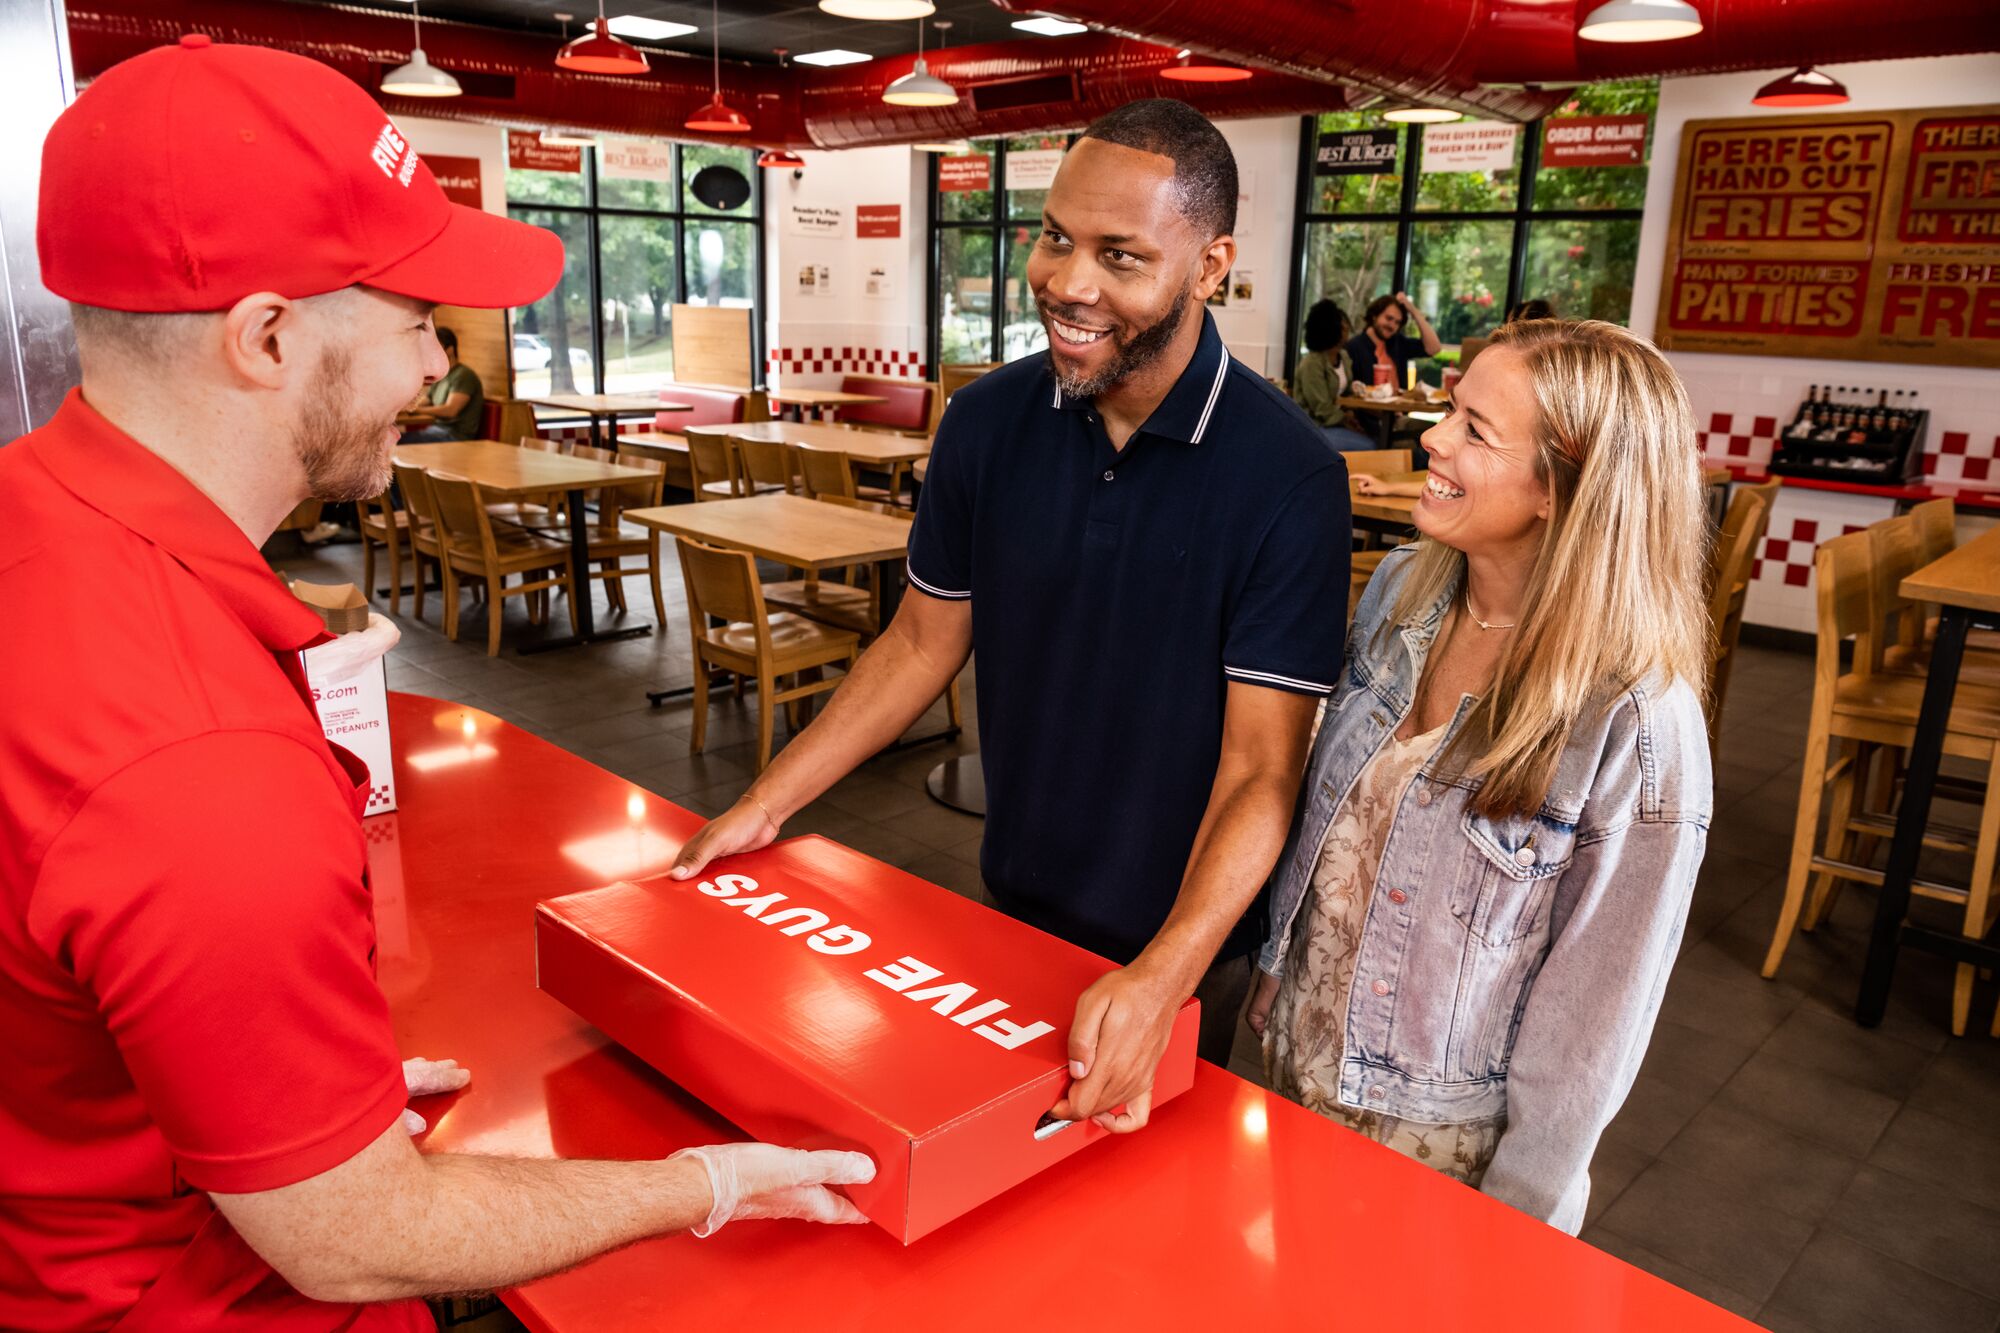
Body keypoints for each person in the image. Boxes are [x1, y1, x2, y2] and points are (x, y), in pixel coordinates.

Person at [1, 39, 869, 1332]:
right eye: (418, 324)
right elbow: (350, 1240)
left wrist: (275, 1096)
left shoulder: (38, 534)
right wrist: (704, 1182)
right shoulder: (197, 764)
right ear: (267, 336)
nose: (436, 370)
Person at [669, 98, 1350, 1134]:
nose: (1068, 285)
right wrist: (763, 806)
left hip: (1182, 940)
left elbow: (1263, 769)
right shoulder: (987, 420)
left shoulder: (1287, 476)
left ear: (1209, 265)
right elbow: (916, 641)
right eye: (1053, 238)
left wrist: (1166, 970)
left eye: (1120, 256)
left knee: (1133, 1246)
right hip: (1009, 900)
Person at [1246, 318, 1713, 1235]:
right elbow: (1330, 827)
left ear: (1562, 490)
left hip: (1440, 1151)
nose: (1433, 435)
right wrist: (1271, 970)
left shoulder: (1635, 721)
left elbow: (1591, 1029)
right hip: (1293, 1072)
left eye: (1474, 429)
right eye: (1450, 409)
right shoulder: (1400, 595)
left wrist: (1519, 1230)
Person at [1290, 300, 1375, 452]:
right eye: (1342, 326)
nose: (1347, 328)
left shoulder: (1343, 356)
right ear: (1329, 329)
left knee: (1376, 436)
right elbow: (1321, 408)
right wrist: (1346, 419)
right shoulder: (1312, 363)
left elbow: (1346, 391)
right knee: (1370, 446)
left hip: (1336, 422)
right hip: (1313, 427)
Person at [399, 325, 483, 441]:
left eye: (438, 347)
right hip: (437, 429)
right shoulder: (442, 375)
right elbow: (427, 401)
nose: (433, 352)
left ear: (450, 349)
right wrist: (403, 407)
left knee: (400, 441)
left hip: (456, 435)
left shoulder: (464, 375)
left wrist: (415, 410)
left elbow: (450, 411)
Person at [1344, 291, 1442, 389]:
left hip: (1400, 403)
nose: (1392, 326)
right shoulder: (1353, 347)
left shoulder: (1398, 342)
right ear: (1374, 316)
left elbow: (1434, 348)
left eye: (1397, 322)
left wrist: (1413, 311)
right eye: (1389, 318)